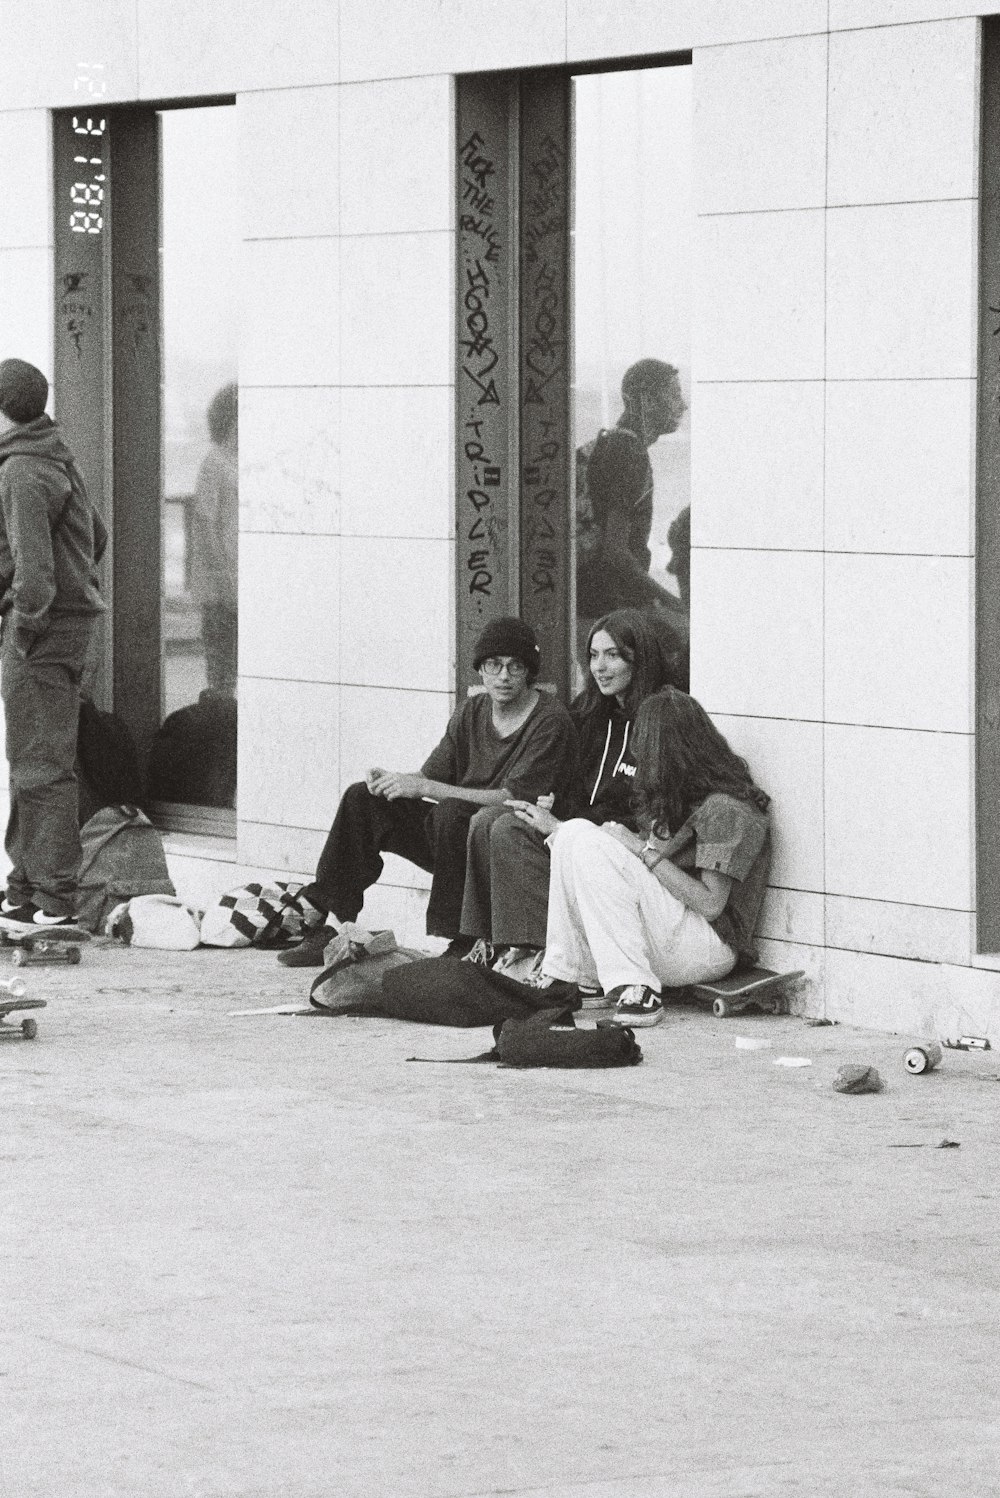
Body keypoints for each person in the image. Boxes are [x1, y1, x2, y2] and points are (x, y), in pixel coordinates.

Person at [278, 617, 579, 967]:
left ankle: (462, 939)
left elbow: (512, 799)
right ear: (480, 670)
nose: (504, 676)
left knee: (453, 813)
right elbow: (429, 775)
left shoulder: (550, 720)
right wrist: (393, 781)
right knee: (362, 798)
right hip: (452, 837)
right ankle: (331, 923)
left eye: (515, 666)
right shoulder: (472, 709)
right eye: (493, 665)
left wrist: (422, 786)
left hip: (503, 840)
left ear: (530, 671)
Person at [537, 686, 771, 1028]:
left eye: (645, 751)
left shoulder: (725, 808)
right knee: (572, 832)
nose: (639, 760)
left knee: (591, 845)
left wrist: (639, 849)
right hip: (672, 933)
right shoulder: (678, 795)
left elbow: (710, 905)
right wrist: (624, 844)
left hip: (711, 946)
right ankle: (572, 976)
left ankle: (638, 989)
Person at [459, 609, 675, 975]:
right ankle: (491, 945)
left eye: (613, 655)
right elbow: (576, 786)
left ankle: (539, 953)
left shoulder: (662, 717)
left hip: (619, 849)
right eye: (593, 655)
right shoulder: (589, 711)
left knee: (508, 829)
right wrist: (555, 805)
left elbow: (648, 812)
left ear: (640, 658)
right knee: (488, 820)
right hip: (576, 830)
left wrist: (562, 821)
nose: (600, 667)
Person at [0, 358, 107, 929]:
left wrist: (24, 629)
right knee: (34, 759)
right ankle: (27, 887)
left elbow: (35, 574)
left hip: (40, 633)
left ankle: (54, 896)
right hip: (67, 628)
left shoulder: (20, 471)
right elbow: (99, 535)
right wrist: (77, 588)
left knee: (40, 763)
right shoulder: (55, 455)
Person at [575, 358, 688, 666]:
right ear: (645, 399)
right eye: (674, 394)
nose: (683, 405)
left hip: (593, 607)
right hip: (612, 610)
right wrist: (670, 600)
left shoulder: (610, 443)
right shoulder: (630, 454)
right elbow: (615, 552)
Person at [189, 382, 238, 695]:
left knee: (235, 660)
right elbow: (206, 524)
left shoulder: (241, 460)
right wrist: (226, 576)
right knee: (222, 663)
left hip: (241, 576)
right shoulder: (214, 462)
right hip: (222, 583)